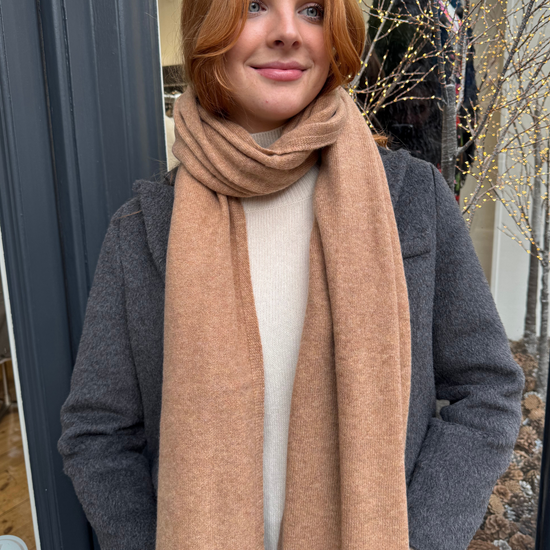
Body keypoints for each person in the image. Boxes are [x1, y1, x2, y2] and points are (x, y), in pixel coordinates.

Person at [56, 0, 525, 549]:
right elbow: (97, 435)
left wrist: (417, 538)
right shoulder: (143, 229)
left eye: (311, 10)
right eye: (255, 6)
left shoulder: (411, 201)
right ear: (208, 26)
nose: (287, 32)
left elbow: (487, 390)